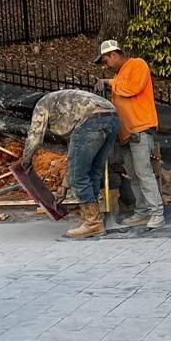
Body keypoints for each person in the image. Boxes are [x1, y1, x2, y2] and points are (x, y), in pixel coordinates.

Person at [21, 88, 119, 239]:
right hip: (112, 117)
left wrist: (26, 161)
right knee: (93, 171)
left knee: (78, 176)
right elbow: (74, 157)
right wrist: (64, 186)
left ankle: (93, 223)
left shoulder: (41, 105)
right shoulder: (65, 106)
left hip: (91, 120)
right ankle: (90, 218)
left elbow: (34, 138)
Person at [93, 39, 165, 229]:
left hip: (140, 129)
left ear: (114, 54)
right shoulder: (120, 75)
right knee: (133, 176)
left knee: (144, 173)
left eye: (106, 61)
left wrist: (108, 82)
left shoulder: (137, 65)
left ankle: (156, 213)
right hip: (126, 134)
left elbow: (132, 88)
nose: (105, 66)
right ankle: (142, 212)